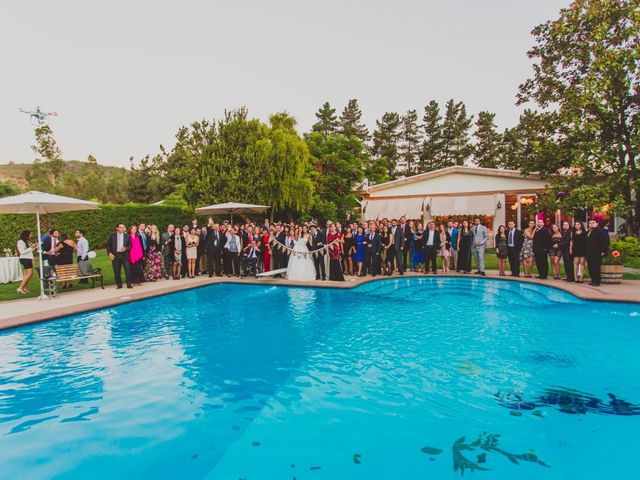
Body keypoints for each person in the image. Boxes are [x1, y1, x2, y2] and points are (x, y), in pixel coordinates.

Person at [106, 223, 132, 289]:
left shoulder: (127, 235)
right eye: (120, 227)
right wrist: (109, 253)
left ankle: (129, 284)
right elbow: (108, 245)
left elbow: (130, 245)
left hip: (125, 255)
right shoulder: (112, 235)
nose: (122, 228)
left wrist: (126, 248)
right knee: (116, 270)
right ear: (117, 228)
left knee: (127, 269)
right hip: (116, 255)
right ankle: (119, 284)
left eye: (123, 227)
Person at [585, 218, 609, 287]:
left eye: (593, 223)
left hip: (597, 252)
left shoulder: (600, 231)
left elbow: (606, 241)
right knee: (590, 267)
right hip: (589, 252)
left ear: (597, 224)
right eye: (590, 223)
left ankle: (597, 282)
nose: (591, 224)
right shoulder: (588, 231)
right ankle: (593, 280)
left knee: (596, 267)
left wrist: (603, 251)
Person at [16, 230, 37, 294]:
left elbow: (30, 251)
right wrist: (31, 247)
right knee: (30, 273)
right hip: (25, 259)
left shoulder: (27, 241)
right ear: (26, 235)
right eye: (30, 234)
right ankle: (20, 288)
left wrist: (34, 247)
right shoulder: (20, 242)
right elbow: (22, 252)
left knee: (26, 274)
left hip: (28, 258)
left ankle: (24, 288)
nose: (31, 236)